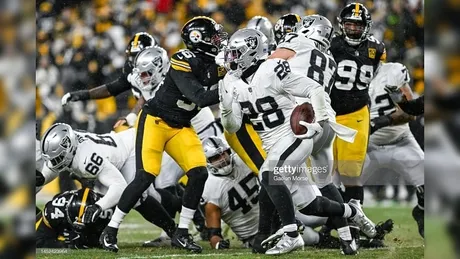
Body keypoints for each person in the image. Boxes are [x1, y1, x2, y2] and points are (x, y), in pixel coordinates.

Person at [220, 28, 375, 255]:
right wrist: (225, 108)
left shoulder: (271, 68)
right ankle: (351, 211)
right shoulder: (230, 82)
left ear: (251, 52)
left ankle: (291, 234)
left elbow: (314, 88)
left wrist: (319, 120)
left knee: (268, 174)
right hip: (273, 143)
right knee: (311, 205)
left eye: (235, 53)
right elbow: (233, 126)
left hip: (294, 135)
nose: (230, 59)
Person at [100, 16, 228, 253]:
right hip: (155, 122)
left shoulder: (209, 60)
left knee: (199, 174)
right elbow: (199, 97)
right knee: (145, 177)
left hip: (180, 126)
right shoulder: (182, 59)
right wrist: (231, 86)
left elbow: (223, 72)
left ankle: (181, 233)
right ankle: (110, 230)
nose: (217, 40)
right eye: (212, 36)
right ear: (198, 39)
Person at [39, 124, 177, 241]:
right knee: (150, 195)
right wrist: (43, 177)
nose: (53, 162)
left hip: (131, 150)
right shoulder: (71, 145)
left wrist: (98, 207)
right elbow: (53, 166)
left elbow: (119, 187)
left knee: (135, 197)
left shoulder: (86, 159)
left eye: (57, 158)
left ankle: (174, 232)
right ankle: (180, 203)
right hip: (120, 148)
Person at [329, 2, 386, 239]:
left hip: (356, 113)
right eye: (349, 24)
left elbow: (380, 78)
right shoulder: (329, 44)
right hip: (328, 114)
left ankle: (353, 225)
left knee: (350, 171)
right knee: (322, 173)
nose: (352, 29)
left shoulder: (377, 48)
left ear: (366, 27)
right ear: (341, 25)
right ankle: (334, 222)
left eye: (357, 24)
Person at [363, 62, 424, 238]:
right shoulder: (348, 76)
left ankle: (420, 211)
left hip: (401, 140)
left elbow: (411, 112)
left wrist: (379, 122)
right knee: (342, 192)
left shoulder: (393, 71)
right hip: (367, 144)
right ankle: (352, 231)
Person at [61, 32, 157, 128]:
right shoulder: (132, 68)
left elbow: (148, 94)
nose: (135, 62)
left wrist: (133, 115)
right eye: (133, 56)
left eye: (139, 56)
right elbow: (112, 88)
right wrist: (82, 94)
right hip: (149, 120)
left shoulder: (162, 70)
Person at [36, 188, 113, 249]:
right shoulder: (56, 210)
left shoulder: (106, 211)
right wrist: (65, 243)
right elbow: (39, 241)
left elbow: (106, 240)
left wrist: (86, 241)